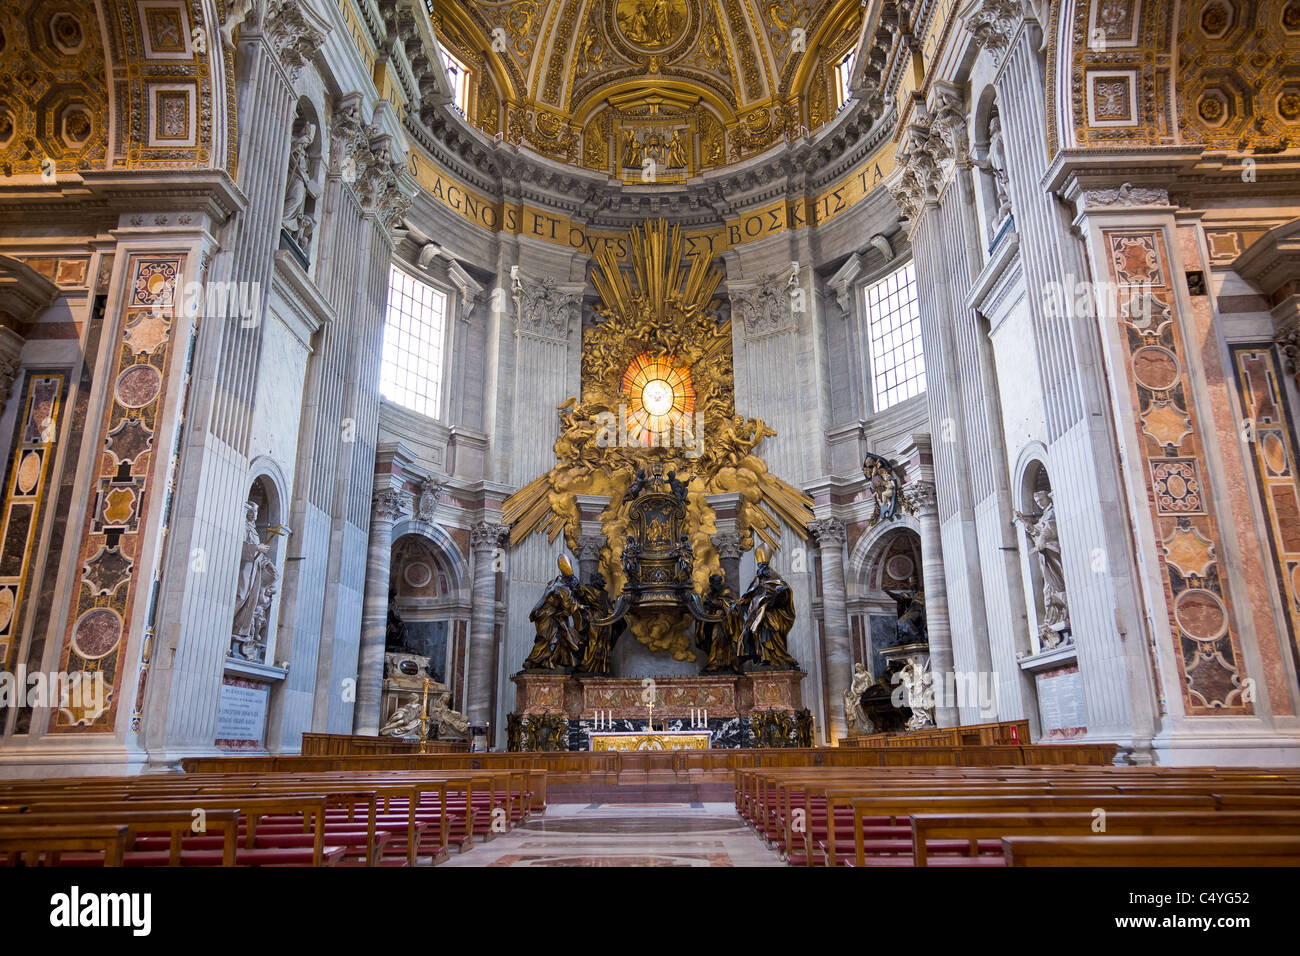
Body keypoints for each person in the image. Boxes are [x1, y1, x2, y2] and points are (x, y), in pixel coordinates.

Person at [734, 548, 798, 668]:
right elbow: (749, 595)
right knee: (758, 633)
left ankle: (778, 657)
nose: (760, 569)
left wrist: (778, 593)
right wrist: (739, 603)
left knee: (771, 633)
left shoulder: (776, 580)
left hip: (773, 614)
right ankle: (765, 657)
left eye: (763, 566)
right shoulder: (758, 582)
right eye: (759, 566)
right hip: (758, 614)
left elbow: (785, 592)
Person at [522, 556, 586, 669]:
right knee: (547, 638)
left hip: (546, 614)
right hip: (548, 614)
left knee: (557, 638)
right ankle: (534, 660)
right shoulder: (563, 588)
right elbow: (568, 605)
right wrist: (580, 606)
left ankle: (550, 661)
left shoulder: (556, 581)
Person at [697, 573, 742, 673]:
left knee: (717, 639)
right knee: (711, 639)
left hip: (725, 624)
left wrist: (717, 604)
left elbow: (733, 606)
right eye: (712, 585)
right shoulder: (711, 593)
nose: (713, 587)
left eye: (715, 584)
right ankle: (715, 662)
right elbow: (706, 606)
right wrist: (707, 605)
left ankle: (717, 663)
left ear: (719, 583)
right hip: (712, 622)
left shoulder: (727, 592)